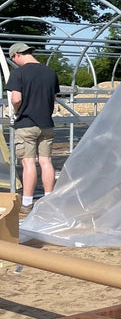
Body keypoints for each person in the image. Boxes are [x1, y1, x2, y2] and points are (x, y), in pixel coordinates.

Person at [6, 42, 60, 212]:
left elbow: (16, 99)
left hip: (26, 124)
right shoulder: (50, 73)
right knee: (46, 162)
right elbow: (53, 97)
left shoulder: (19, 73)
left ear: (17, 55)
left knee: (28, 162)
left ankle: (27, 203)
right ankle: (50, 200)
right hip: (46, 124)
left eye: (14, 58)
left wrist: (16, 112)